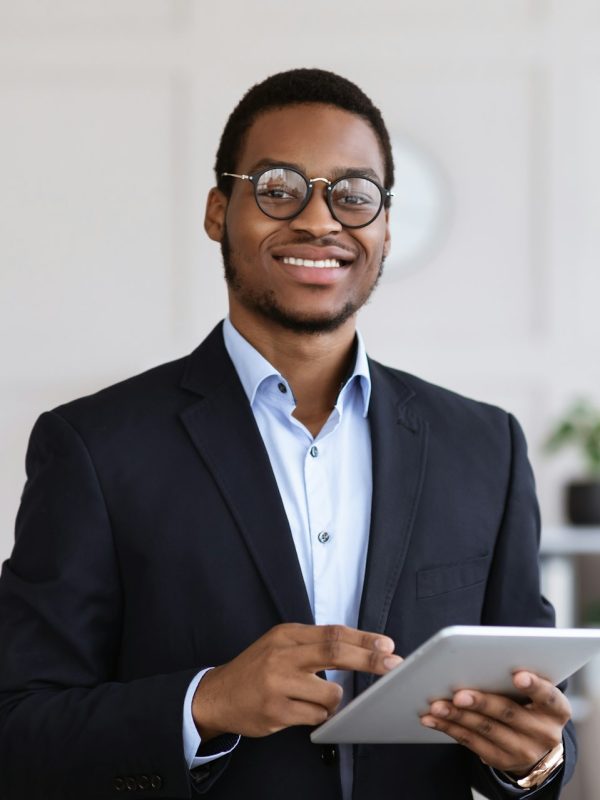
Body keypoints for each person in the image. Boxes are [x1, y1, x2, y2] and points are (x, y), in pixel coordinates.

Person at [0, 68, 575, 800]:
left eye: (354, 195)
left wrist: (532, 762)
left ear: (386, 226)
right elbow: (18, 731)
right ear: (218, 211)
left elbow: (531, 714)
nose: (318, 220)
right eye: (278, 188)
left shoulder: (485, 447)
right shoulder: (93, 447)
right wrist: (206, 702)